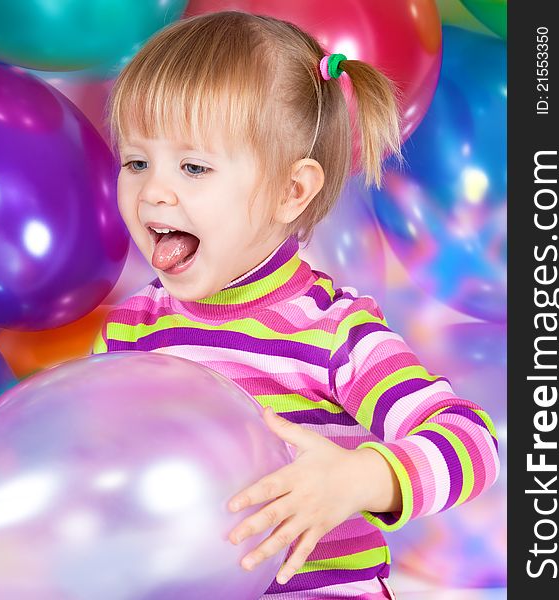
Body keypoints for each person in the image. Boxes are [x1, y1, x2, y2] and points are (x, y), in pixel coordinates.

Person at [93, 11, 500, 599]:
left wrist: (359, 479)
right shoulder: (130, 333)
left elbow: (470, 442)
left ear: (292, 191)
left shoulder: (334, 332)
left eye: (194, 166)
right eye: (136, 162)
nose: (153, 190)